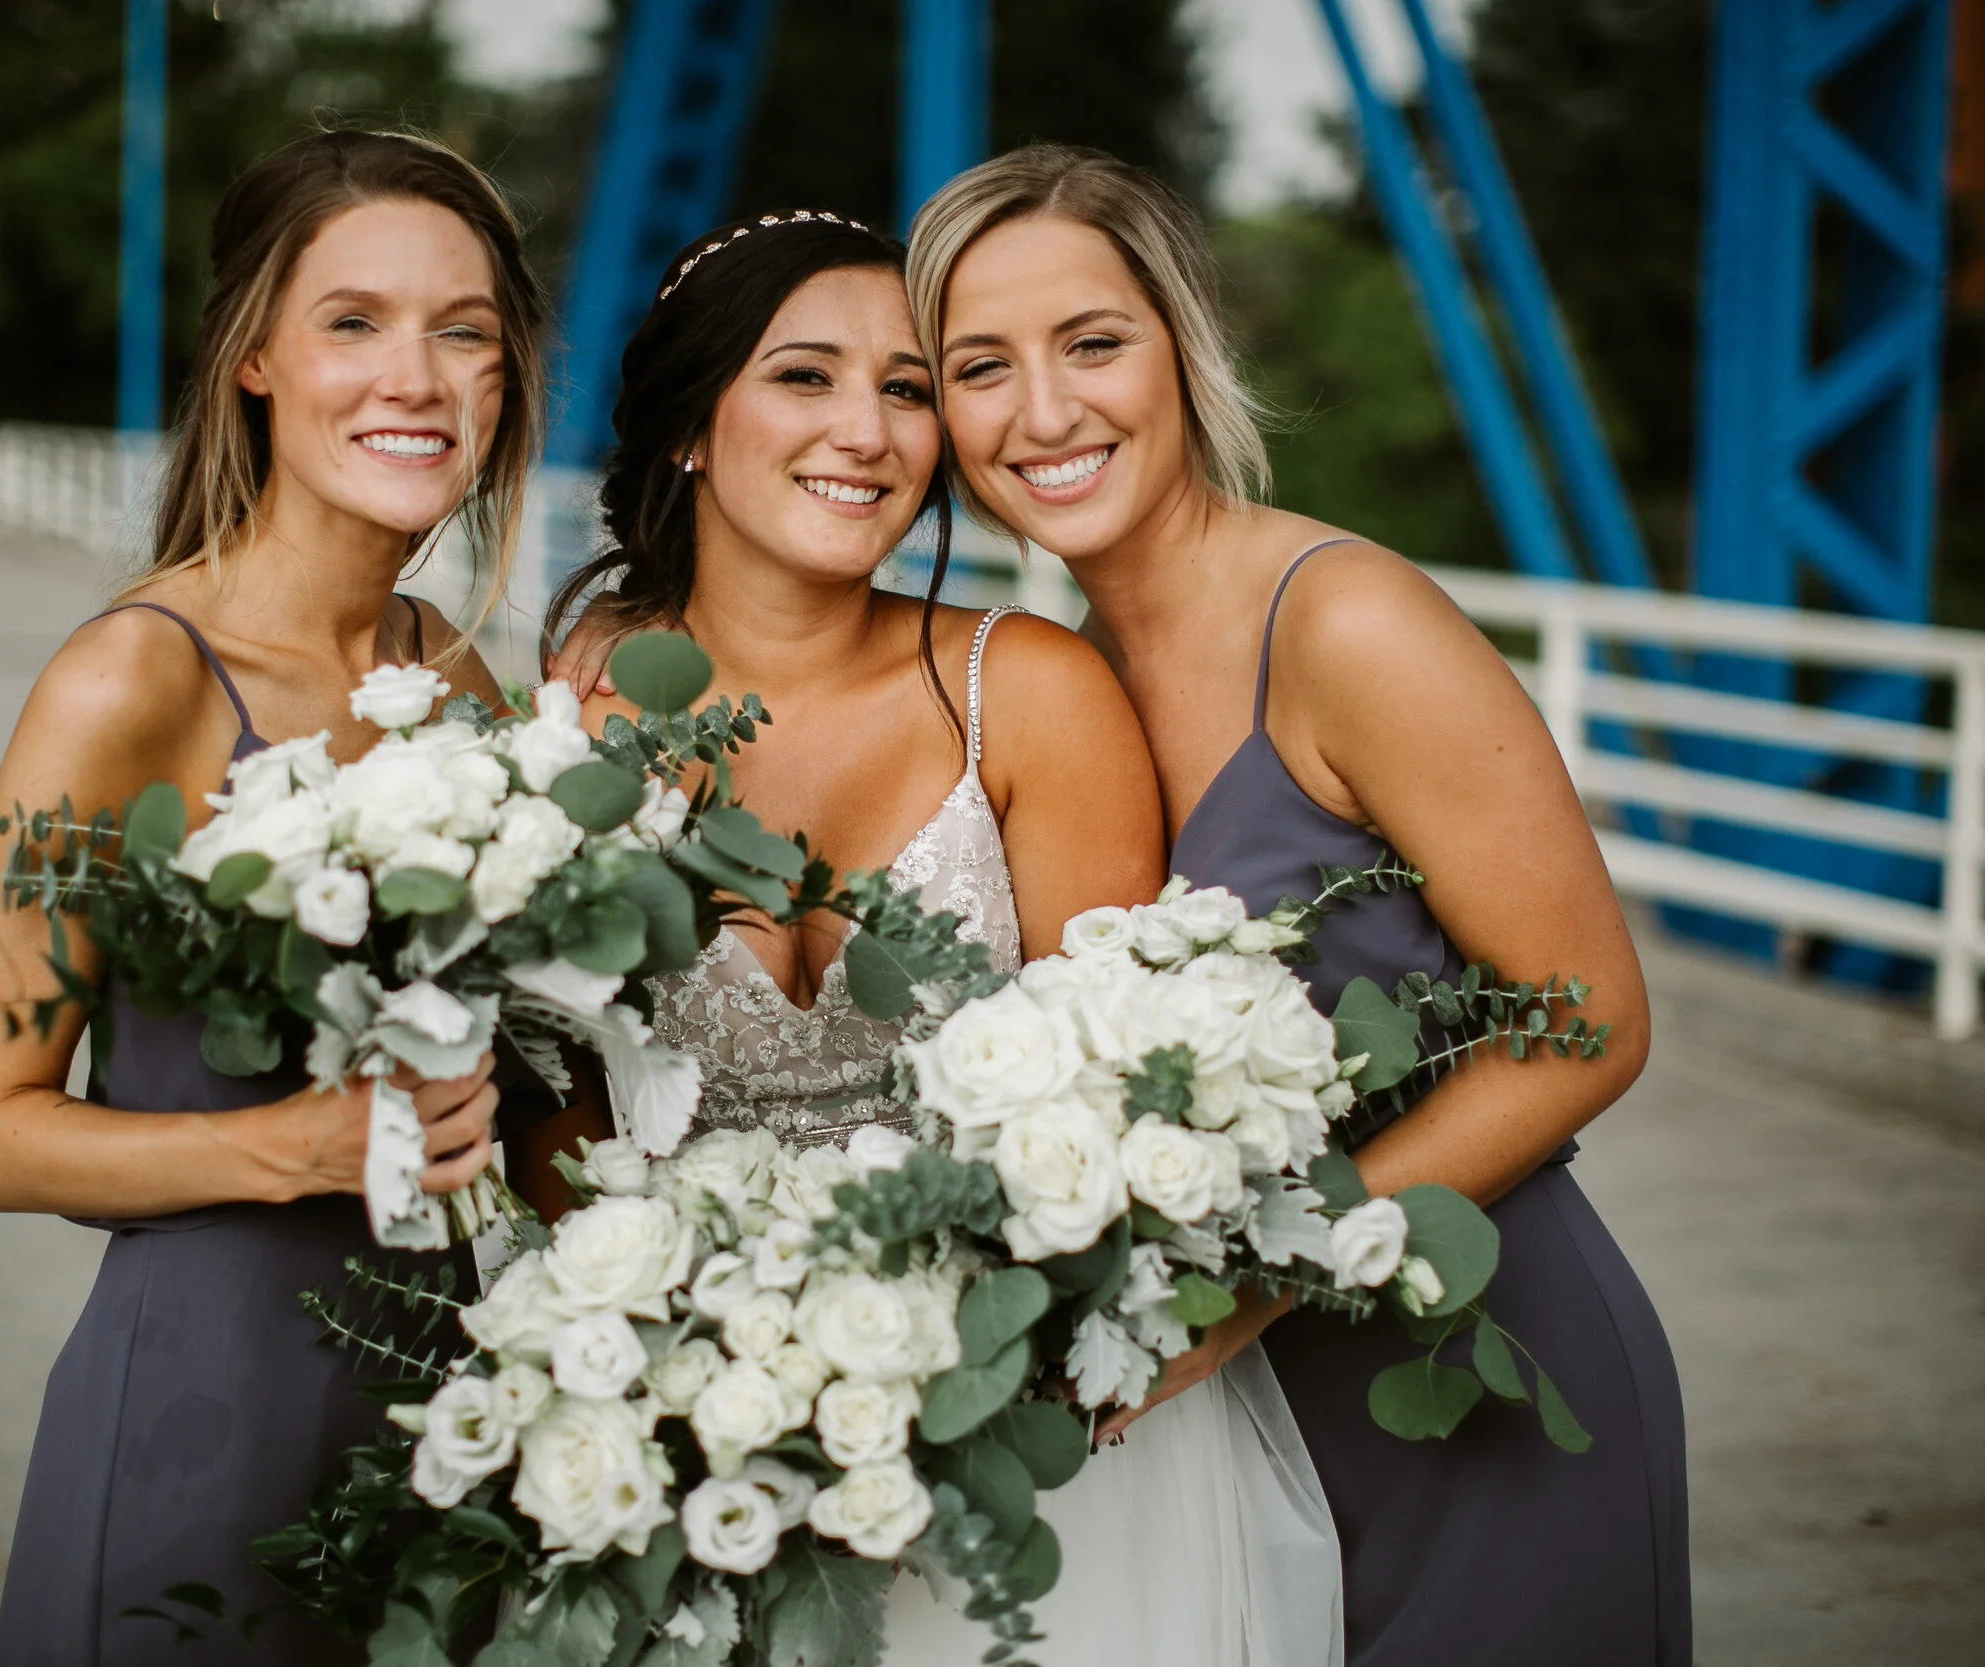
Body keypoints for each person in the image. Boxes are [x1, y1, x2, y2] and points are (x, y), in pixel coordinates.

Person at [904, 143, 1689, 1665]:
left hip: (1484, 1365)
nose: (1043, 413)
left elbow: (1592, 1020)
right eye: (977, 367)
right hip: (1245, 1438)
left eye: (1092, 344)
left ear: (1185, 346)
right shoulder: (1068, 679)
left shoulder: (1347, 623)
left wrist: (1253, 1288)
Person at [549, 209, 1345, 1666]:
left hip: (1029, 1438)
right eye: (806, 377)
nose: (868, 431)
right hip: (681, 1429)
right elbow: (549, 1114)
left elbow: (1113, 1102)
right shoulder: (559, 718)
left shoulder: (1028, 690)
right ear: (685, 426)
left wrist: (941, 1360)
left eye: (909, 388)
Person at [0, 130, 584, 1666]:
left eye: (464, 331)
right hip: (203, 1406)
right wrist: (291, 1143)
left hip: (435, 1410)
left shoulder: (457, 674)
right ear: (255, 359)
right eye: (354, 322)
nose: (415, 379)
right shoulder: (131, 680)